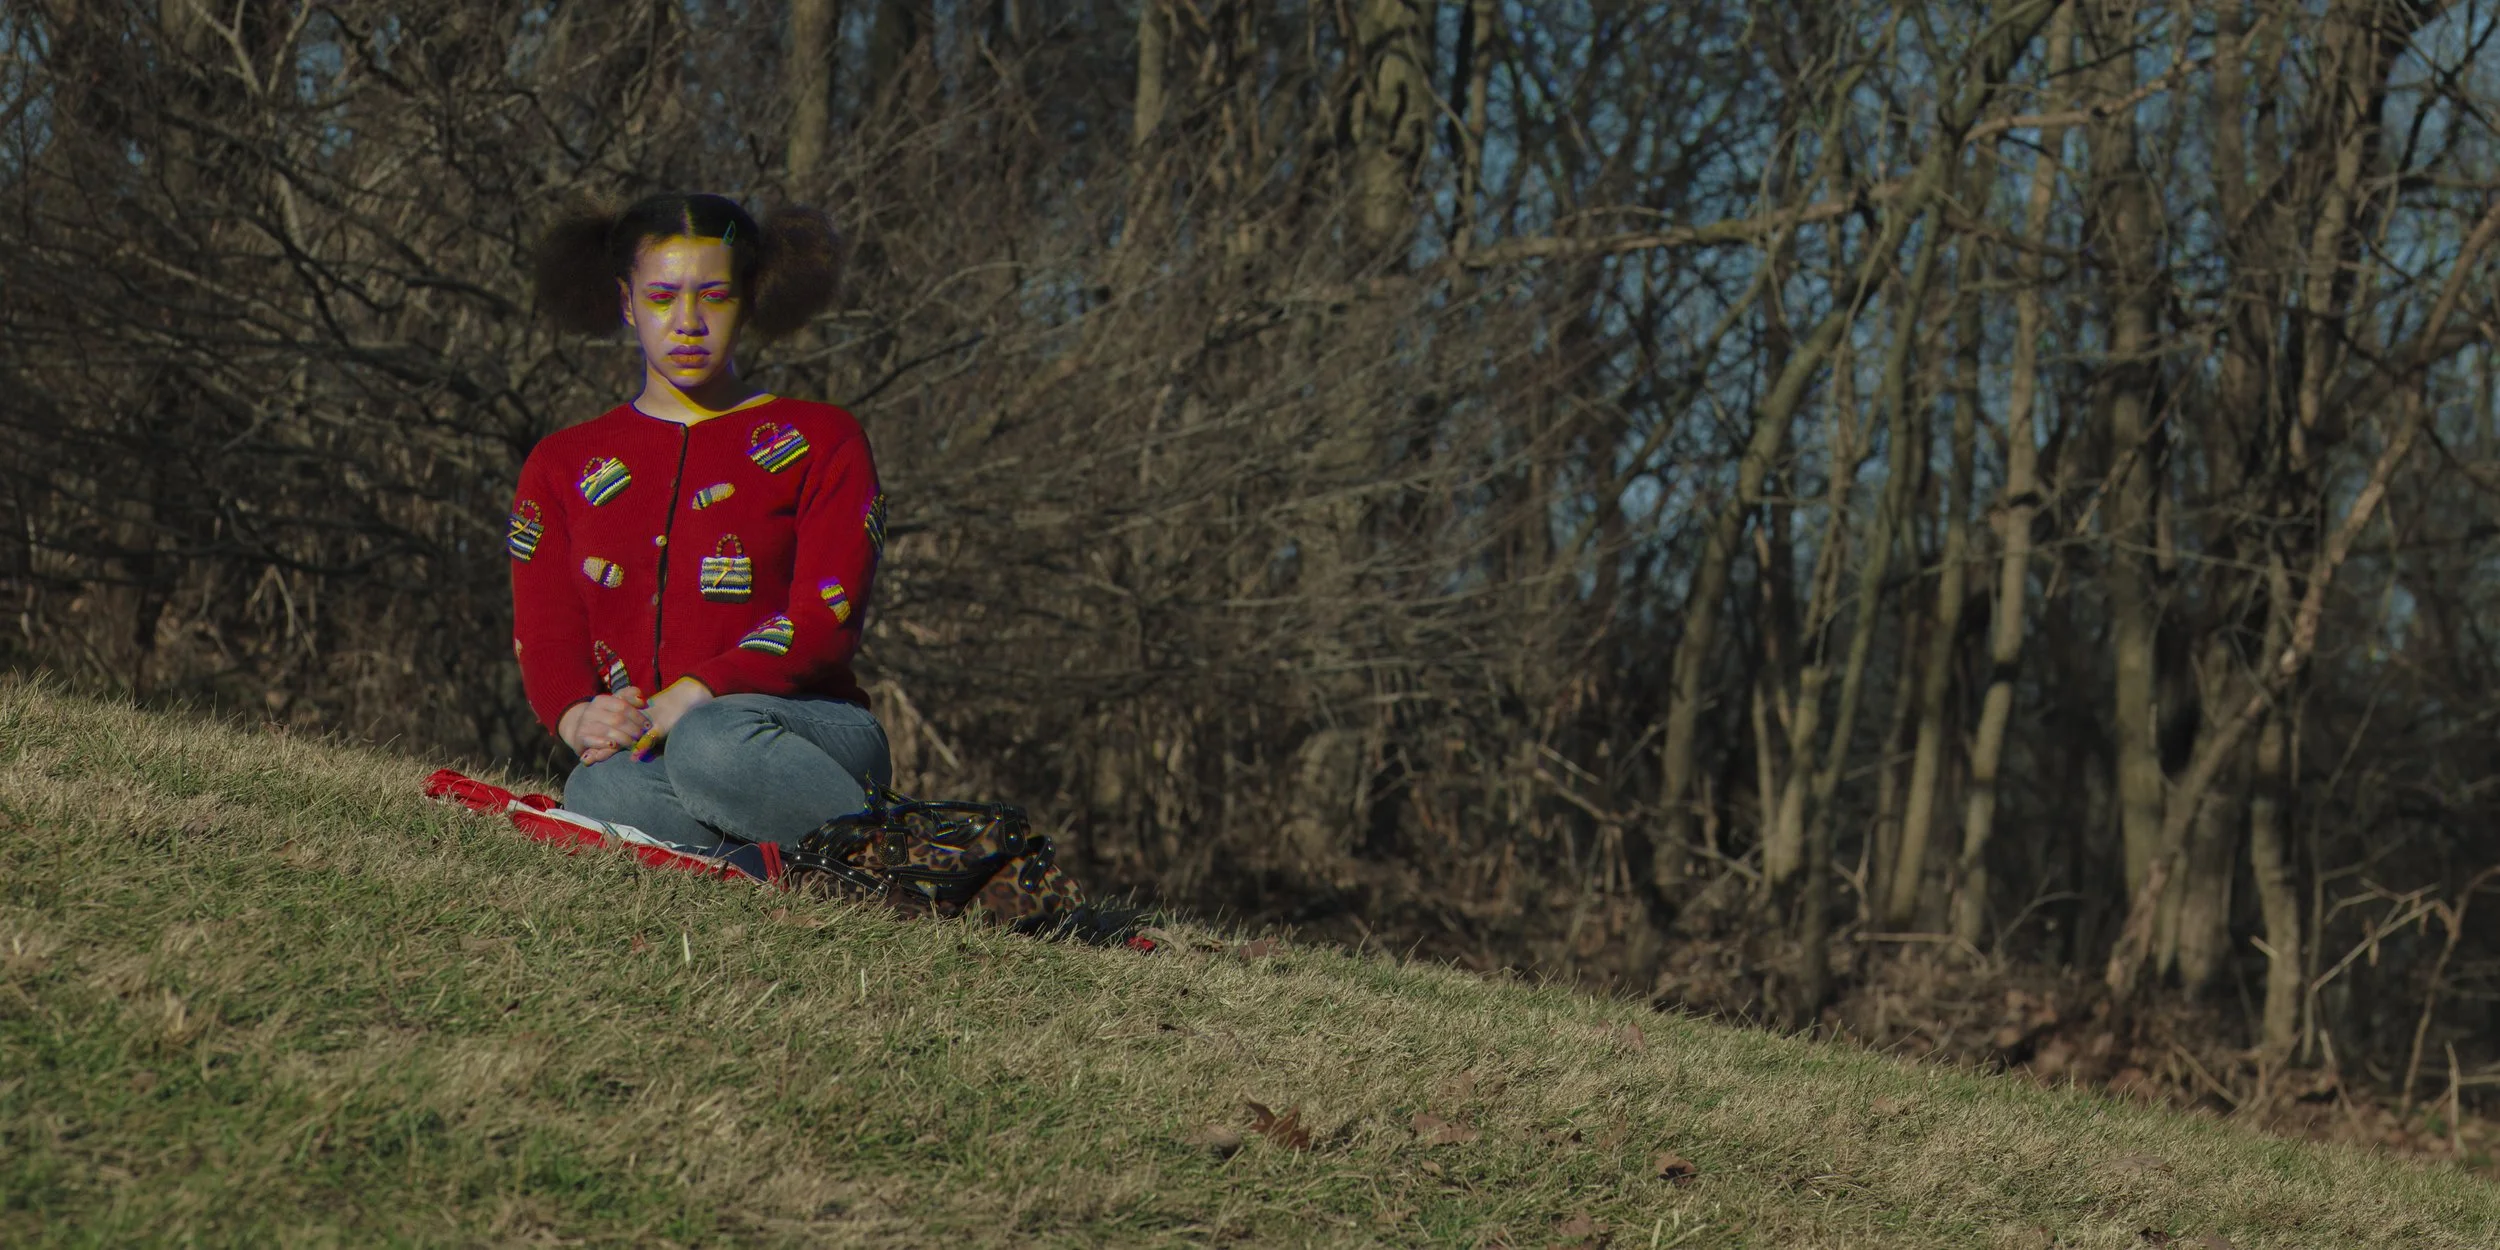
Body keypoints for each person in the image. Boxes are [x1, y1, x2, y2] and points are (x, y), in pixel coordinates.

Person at [508, 192, 888, 852]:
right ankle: (794, 876)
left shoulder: (824, 438)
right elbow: (546, 624)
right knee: (599, 791)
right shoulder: (560, 463)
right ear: (627, 302)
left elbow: (827, 617)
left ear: (748, 299)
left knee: (710, 741)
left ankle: (908, 858)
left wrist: (695, 694)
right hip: (657, 745)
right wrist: (575, 715)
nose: (687, 321)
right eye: (661, 297)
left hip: (803, 731)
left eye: (713, 295)